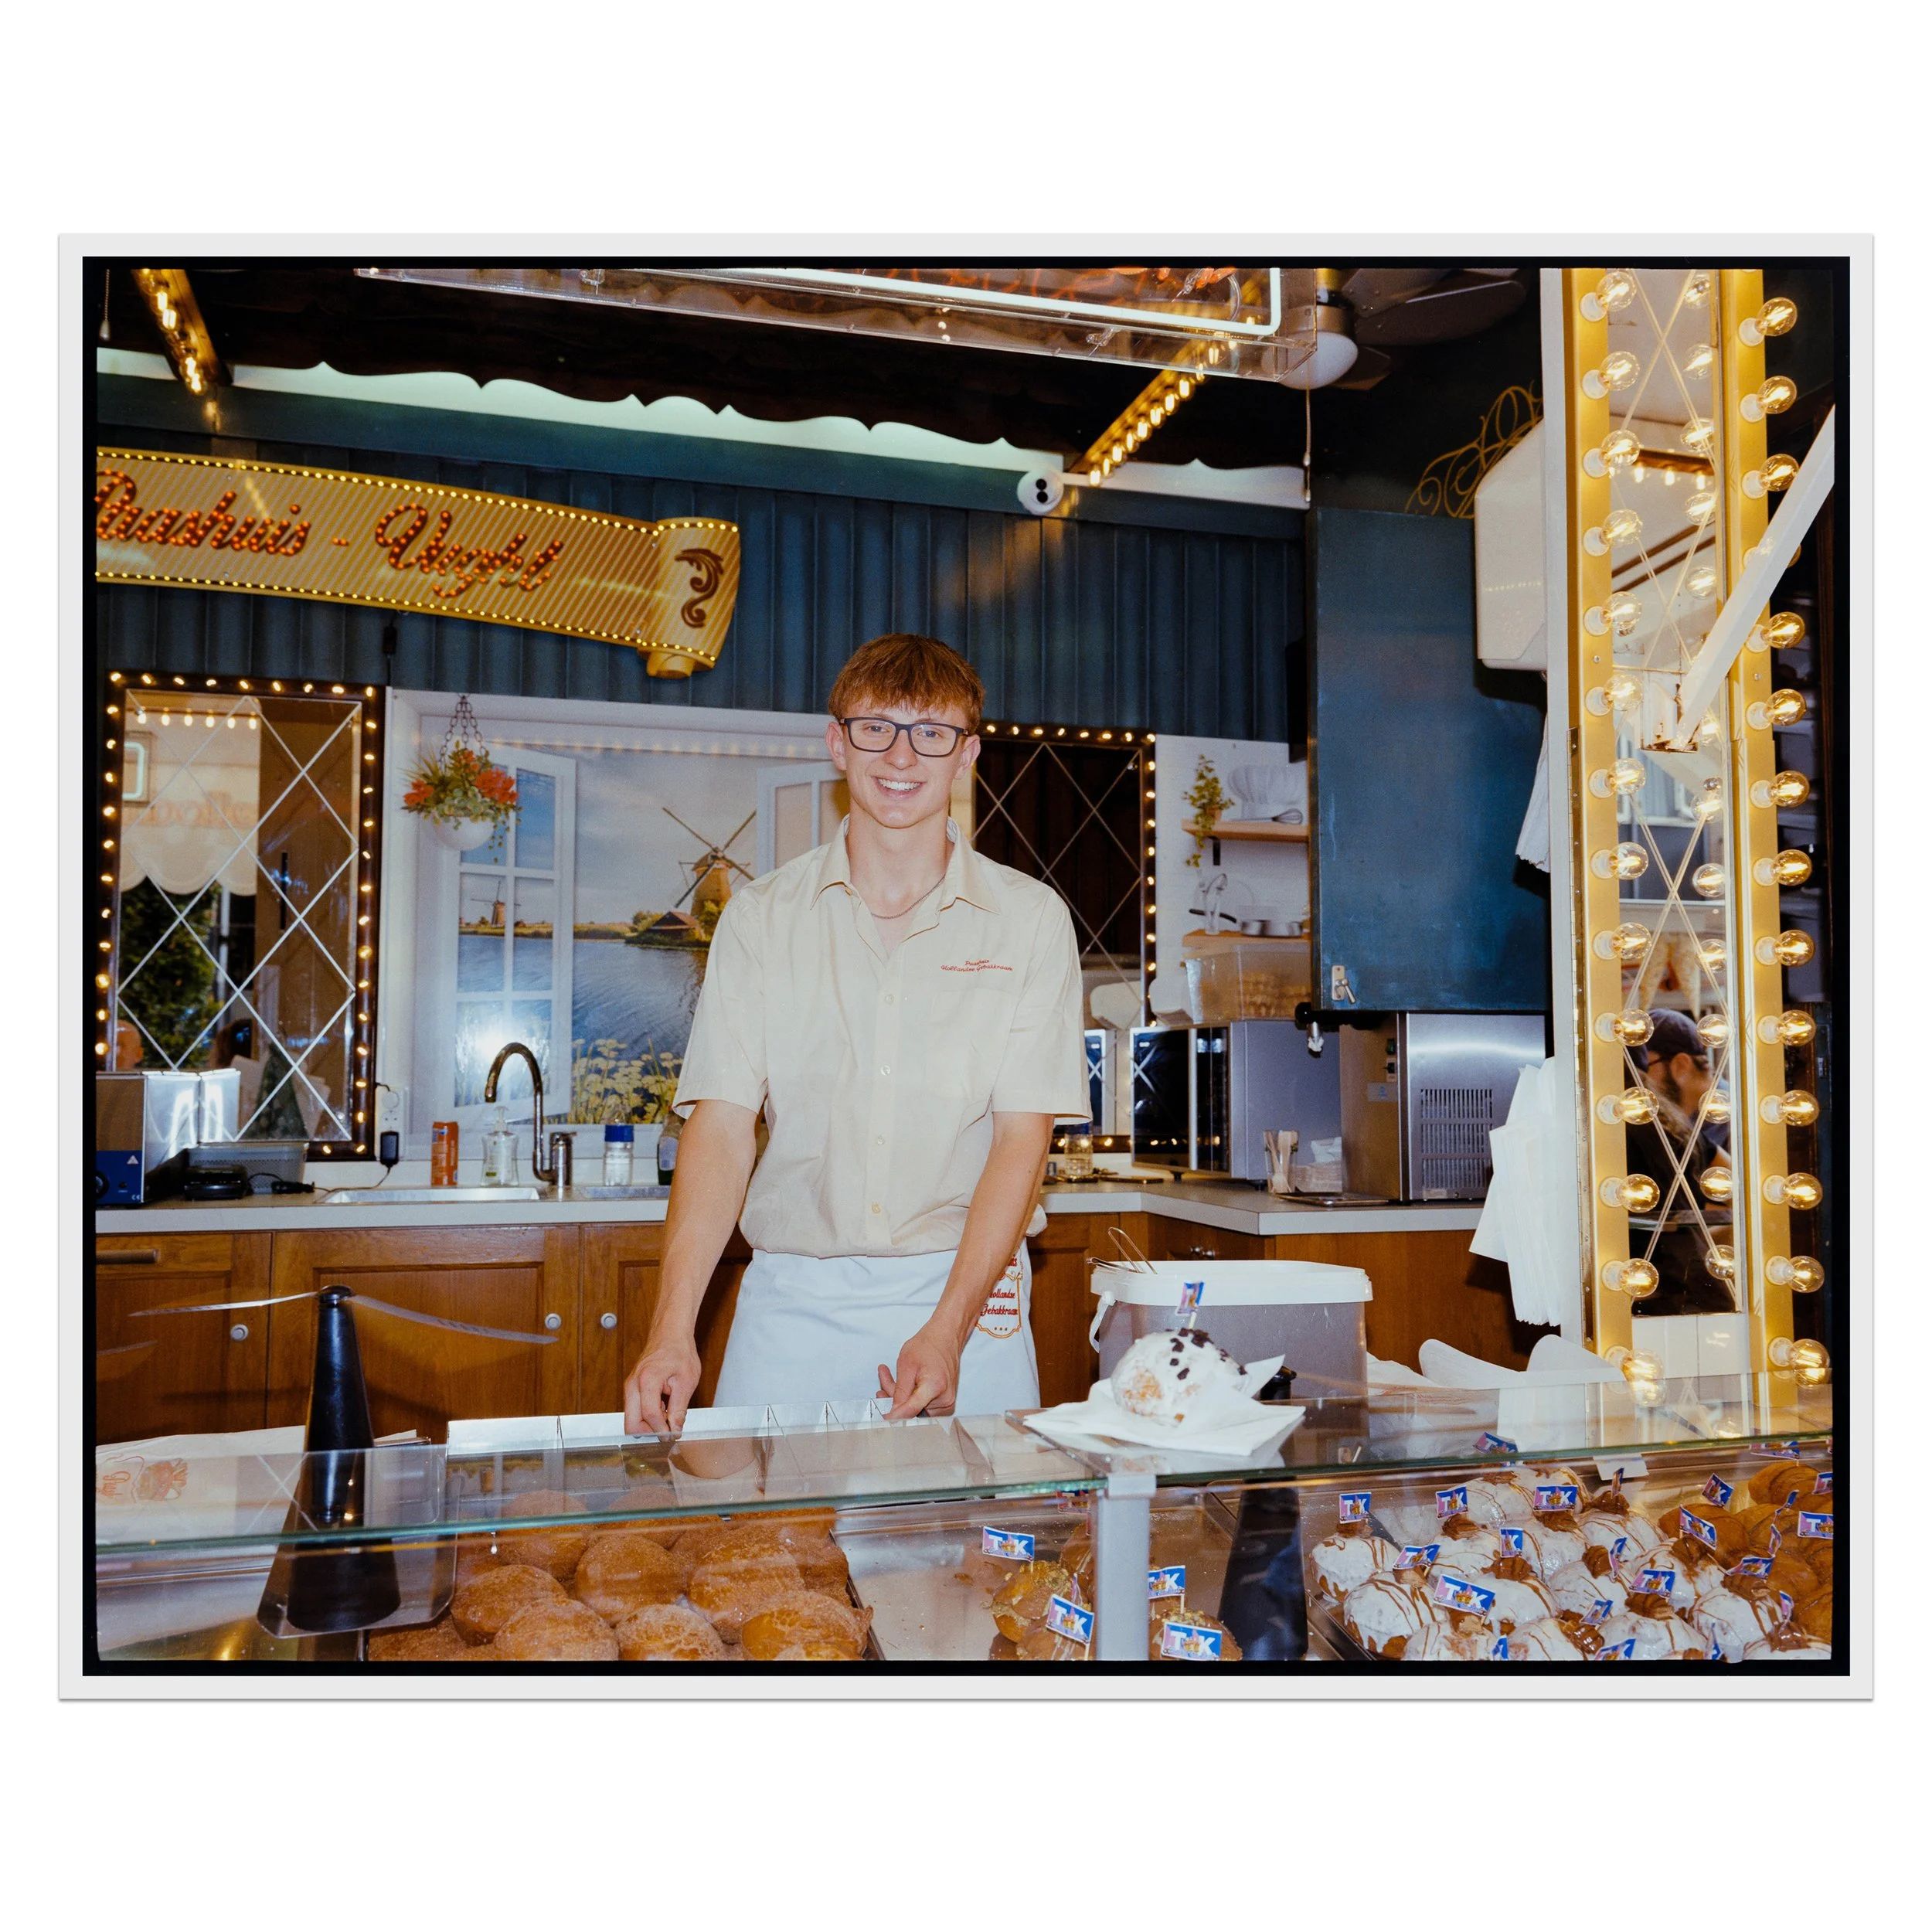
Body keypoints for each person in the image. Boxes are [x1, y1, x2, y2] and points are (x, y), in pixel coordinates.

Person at [622, 634, 1087, 1433]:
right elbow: (721, 1127)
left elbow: (1022, 1140)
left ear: (967, 753)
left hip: (968, 1298)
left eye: (931, 732)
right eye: (876, 728)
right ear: (838, 743)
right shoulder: (761, 918)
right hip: (793, 1301)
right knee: (764, 1516)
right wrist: (671, 1331)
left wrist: (948, 1329)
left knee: (968, 1518)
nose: (901, 755)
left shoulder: (1030, 920)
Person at [1621, 1008, 1734, 1315]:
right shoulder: (1673, 1126)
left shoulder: (1709, 1119)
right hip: (1689, 1296)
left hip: (1669, 1300)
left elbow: (1739, 1195)